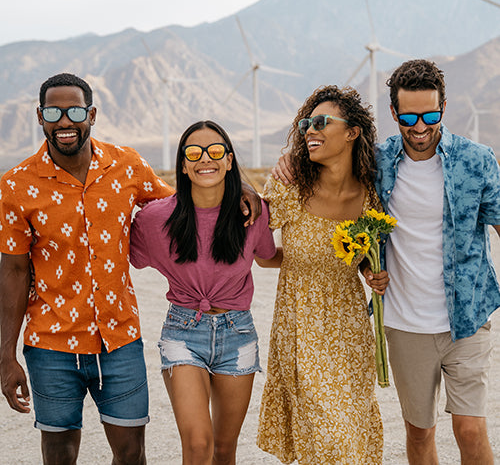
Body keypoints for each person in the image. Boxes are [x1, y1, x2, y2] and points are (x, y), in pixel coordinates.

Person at [0, 74, 261, 465]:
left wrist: (237, 186)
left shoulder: (127, 166)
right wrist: (6, 355)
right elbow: (14, 272)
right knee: (58, 453)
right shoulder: (16, 186)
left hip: (120, 340)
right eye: (54, 112)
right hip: (50, 343)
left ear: (92, 114)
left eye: (75, 111)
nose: (65, 121)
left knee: (131, 453)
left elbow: (186, 202)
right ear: (40, 117)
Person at [273, 60, 500, 465]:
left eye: (430, 115)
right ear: (394, 113)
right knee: (419, 432)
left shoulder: (477, 161)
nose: (419, 127)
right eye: (409, 117)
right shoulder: (375, 165)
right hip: (404, 322)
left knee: (470, 428)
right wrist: (292, 156)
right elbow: (335, 170)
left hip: (467, 317)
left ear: (443, 109)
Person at [129, 120, 280, 464]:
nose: (205, 159)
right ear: (183, 164)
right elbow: (116, 248)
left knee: (224, 450)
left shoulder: (252, 214)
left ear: (229, 160)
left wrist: (332, 257)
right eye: (193, 153)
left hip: (237, 334)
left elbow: (269, 257)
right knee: (198, 445)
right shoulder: (156, 219)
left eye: (215, 151)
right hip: (182, 333)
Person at [256, 85, 389, 464]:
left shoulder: (371, 197)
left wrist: (371, 272)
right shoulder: (290, 188)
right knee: (328, 439)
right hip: (300, 328)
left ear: (352, 132)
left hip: (349, 333)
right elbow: (261, 254)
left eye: (320, 123)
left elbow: (363, 256)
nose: (309, 131)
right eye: (304, 126)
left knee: (352, 435)